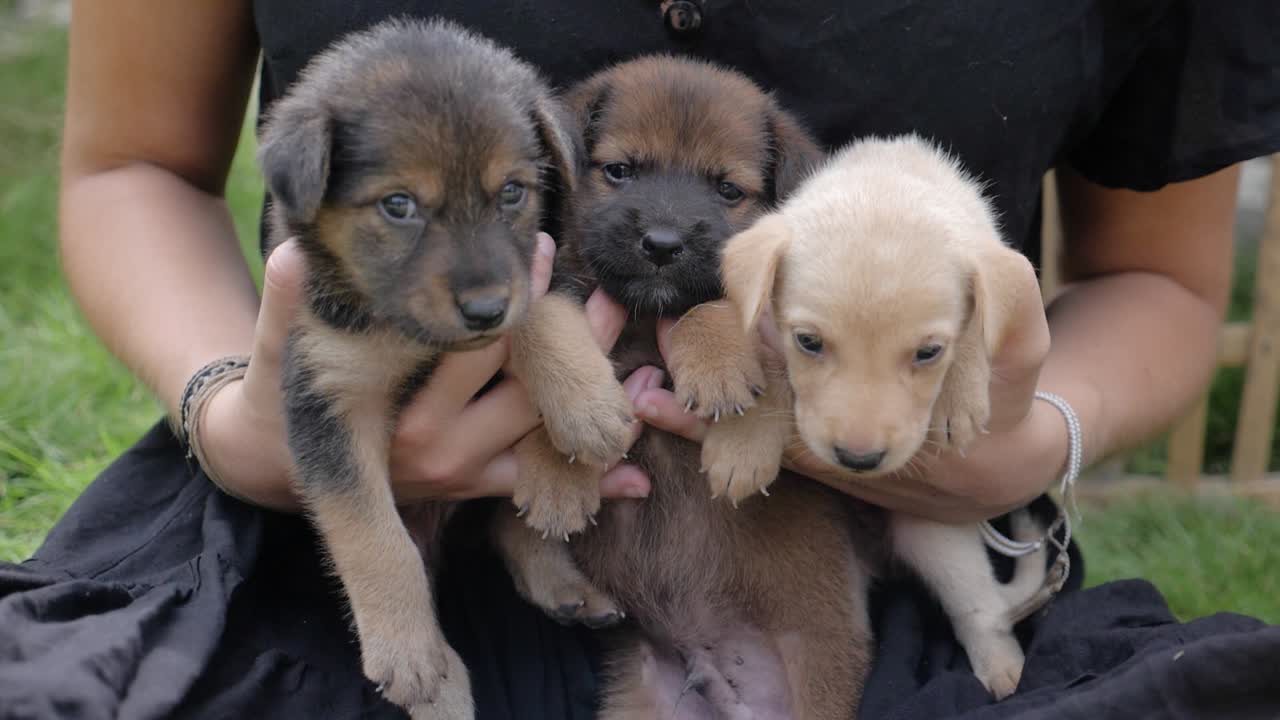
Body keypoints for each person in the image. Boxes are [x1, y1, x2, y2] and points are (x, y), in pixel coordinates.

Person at [2, 1, 1279, 718]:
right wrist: (237, 415)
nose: (666, 224)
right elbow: (130, 167)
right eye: (610, 173)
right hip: (325, 576)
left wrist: (1035, 433)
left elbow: (1158, 281)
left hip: (826, 581)